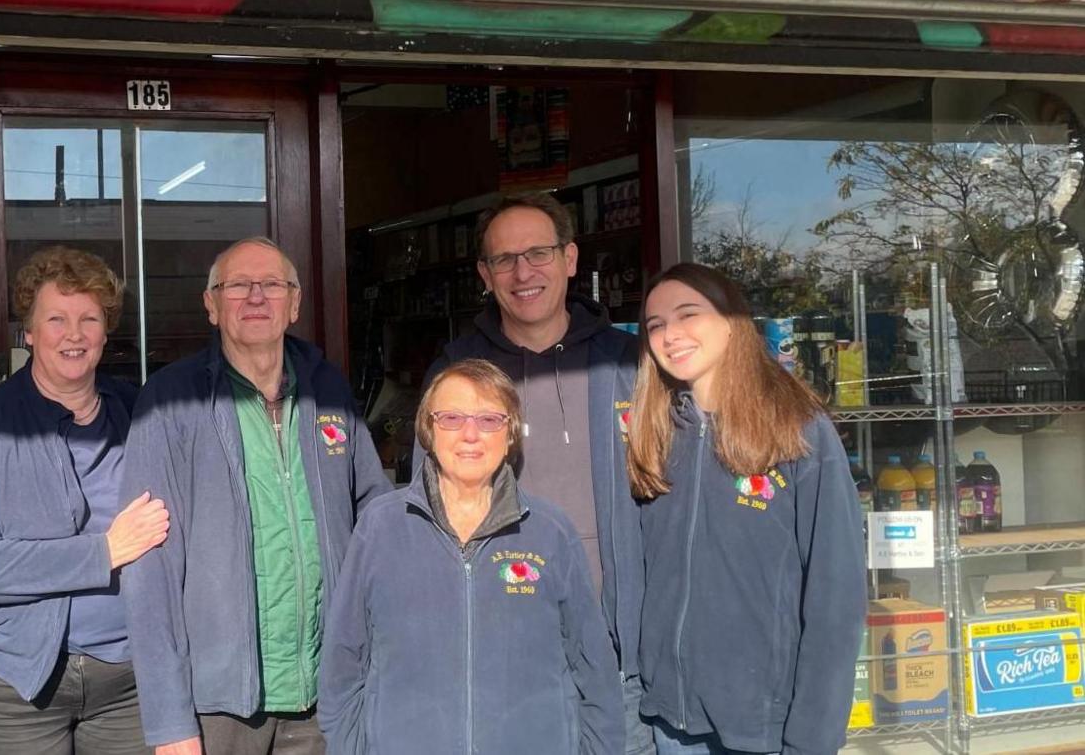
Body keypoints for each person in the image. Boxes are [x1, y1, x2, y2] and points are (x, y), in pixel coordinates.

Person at [122, 236, 394, 755]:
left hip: (325, 689)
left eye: (272, 285)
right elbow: (148, 567)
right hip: (219, 701)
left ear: (294, 303)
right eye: (237, 286)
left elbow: (375, 518)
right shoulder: (170, 401)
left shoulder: (327, 390)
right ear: (211, 305)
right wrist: (169, 718)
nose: (255, 297)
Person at [422, 191, 649, 752]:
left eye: (539, 253)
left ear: (570, 259)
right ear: (484, 274)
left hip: (623, 662)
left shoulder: (631, 364)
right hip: (507, 662)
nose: (523, 272)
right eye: (504, 259)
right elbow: (428, 509)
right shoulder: (457, 373)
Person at [0, 246, 168, 755]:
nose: (75, 334)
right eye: (56, 319)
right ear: (30, 333)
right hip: (15, 683)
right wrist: (102, 552)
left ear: (107, 331)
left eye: (89, 318)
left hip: (130, 679)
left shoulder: (139, 413)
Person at [321, 358, 622, 755]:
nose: (470, 435)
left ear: (511, 432)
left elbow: (594, 669)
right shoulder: (381, 528)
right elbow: (343, 662)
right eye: (451, 418)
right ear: (428, 428)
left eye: (489, 420)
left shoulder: (550, 531)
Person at [632, 263, 865, 755]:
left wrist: (813, 737)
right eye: (655, 324)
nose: (670, 334)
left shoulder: (798, 430)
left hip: (764, 726)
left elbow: (836, 595)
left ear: (732, 321)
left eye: (687, 314)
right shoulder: (654, 433)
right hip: (671, 722)